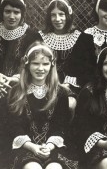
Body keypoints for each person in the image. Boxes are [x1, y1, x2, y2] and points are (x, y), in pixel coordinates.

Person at [0, 0, 41, 165]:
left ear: (22, 14)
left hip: (23, 83)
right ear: (1, 12)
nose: (12, 16)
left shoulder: (32, 36)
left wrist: (16, 78)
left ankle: (10, 154)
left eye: (16, 12)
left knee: (13, 98)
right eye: (7, 12)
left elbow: (38, 65)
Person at [7, 41, 72, 169]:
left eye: (45, 64)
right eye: (35, 64)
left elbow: (60, 126)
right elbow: (14, 126)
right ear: (27, 64)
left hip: (52, 147)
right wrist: (32, 147)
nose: (40, 69)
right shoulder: (17, 91)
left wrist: (48, 146)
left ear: (52, 65)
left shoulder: (60, 93)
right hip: (25, 147)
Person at [40, 0, 96, 91]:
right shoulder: (40, 38)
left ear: (68, 15)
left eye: (61, 14)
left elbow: (88, 70)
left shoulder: (83, 39)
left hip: (74, 88)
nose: (57, 19)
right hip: (45, 86)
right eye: (53, 15)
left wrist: (70, 84)